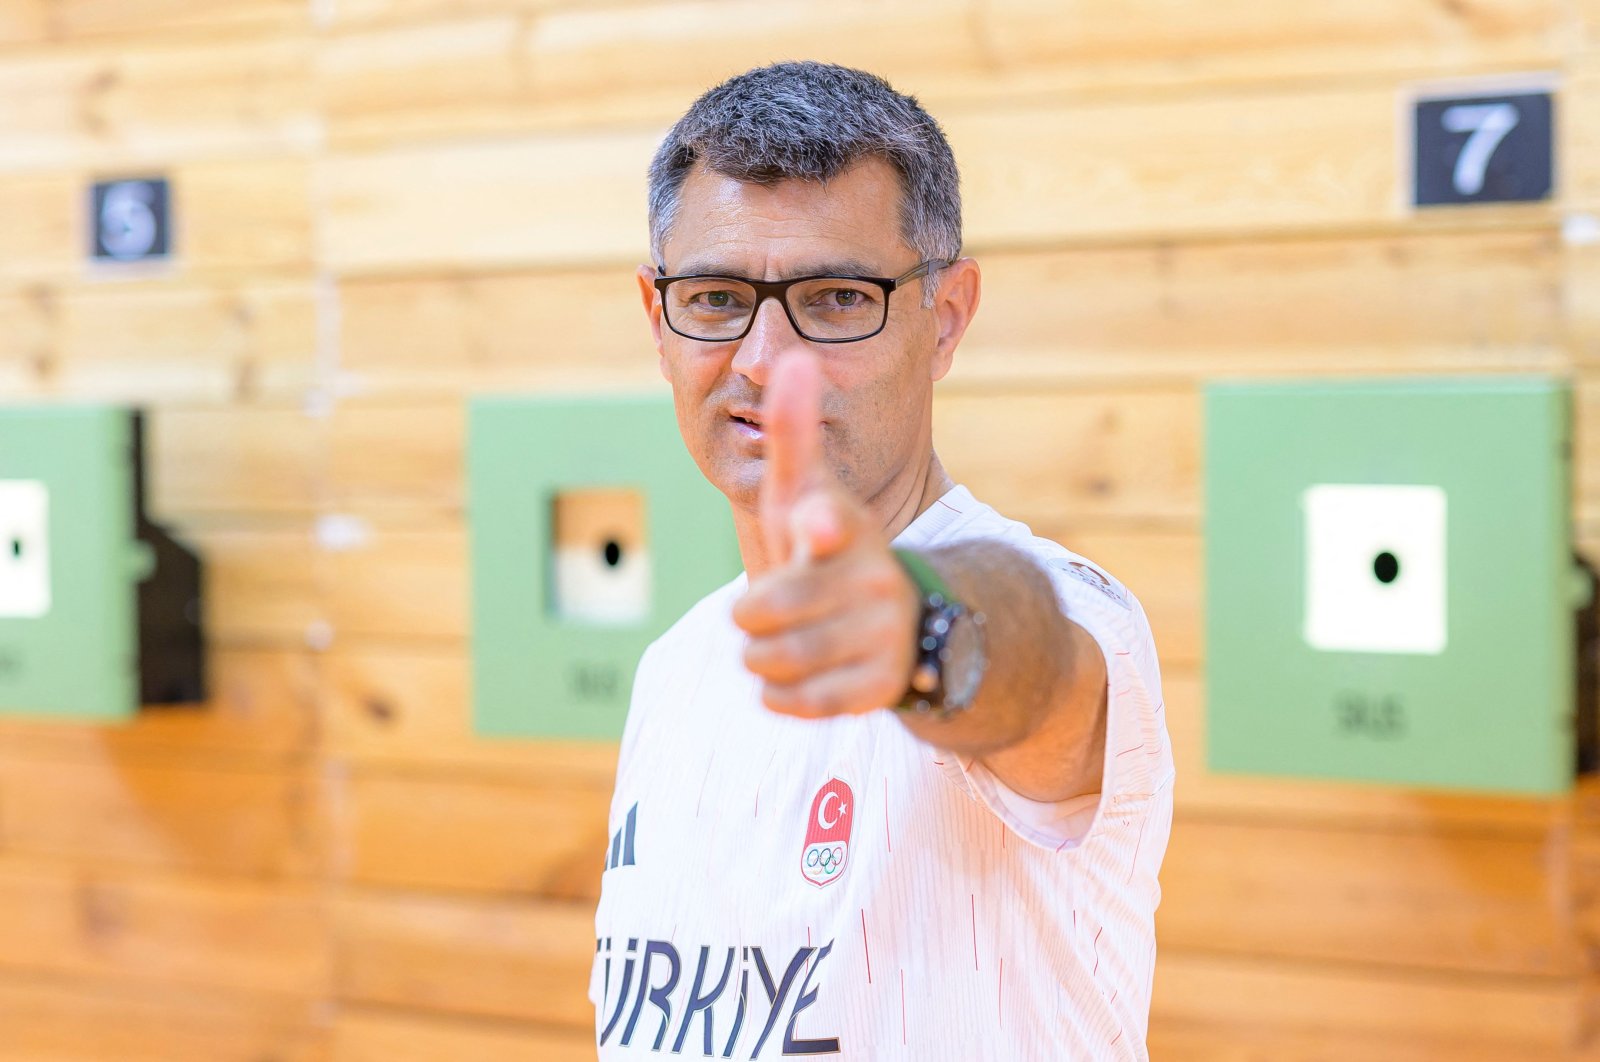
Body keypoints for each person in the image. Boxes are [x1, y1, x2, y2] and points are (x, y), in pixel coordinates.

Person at [591, 61, 1173, 1060]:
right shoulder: (675, 665)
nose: (766, 361)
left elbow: (1035, 674)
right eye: (719, 296)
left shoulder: (1079, 618)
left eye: (833, 297)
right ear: (658, 319)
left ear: (943, 318)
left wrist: (919, 631)